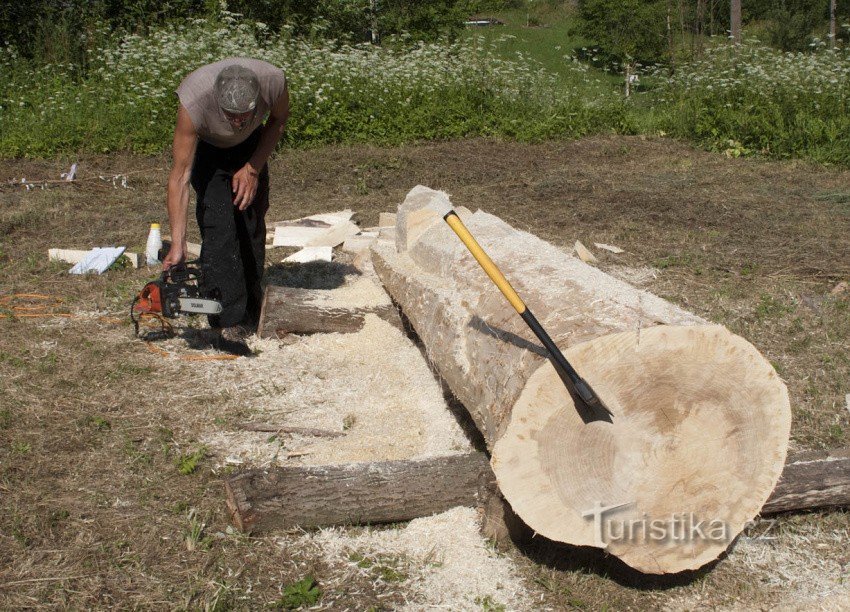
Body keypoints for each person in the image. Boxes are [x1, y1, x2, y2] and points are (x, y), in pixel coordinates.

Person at [162, 57, 289, 348]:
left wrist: (253, 167)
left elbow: (279, 119)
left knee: (250, 222)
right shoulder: (194, 102)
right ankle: (226, 319)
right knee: (219, 226)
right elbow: (180, 177)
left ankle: (253, 311)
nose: (238, 122)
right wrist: (178, 244)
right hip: (209, 151)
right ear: (218, 103)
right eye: (231, 115)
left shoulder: (273, 81)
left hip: (251, 148)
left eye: (244, 115)